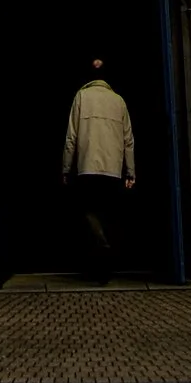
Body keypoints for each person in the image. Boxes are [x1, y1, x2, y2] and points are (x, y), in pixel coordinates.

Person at [62, 54, 136, 269]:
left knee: (89, 209)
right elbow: (128, 139)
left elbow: (71, 137)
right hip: (112, 169)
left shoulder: (81, 97)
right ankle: (107, 254)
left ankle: (101, 247)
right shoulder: (119, 101)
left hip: (87, 166)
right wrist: (130, 172)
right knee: (108, 211)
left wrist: (66, 168)